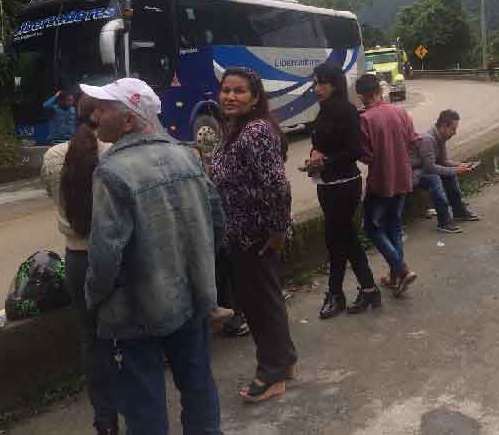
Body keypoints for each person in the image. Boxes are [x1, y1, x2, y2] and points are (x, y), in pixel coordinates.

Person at [82, 78, 224, 434]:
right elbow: (217, 223)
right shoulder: (187, 156)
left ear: (129, 121)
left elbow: (105, 253)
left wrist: (94, 298)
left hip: (135, 311)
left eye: (103, 109)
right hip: (192, 298)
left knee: (143, 402)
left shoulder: (112, 171)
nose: (95, 115)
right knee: (198, 384)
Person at [209, 68, 298, 403]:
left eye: (239, 91)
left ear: (256, 97)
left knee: (260, 306)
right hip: (242, 235)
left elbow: (278, 186)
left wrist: (277, 232)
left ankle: (272, 373)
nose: (230, 96)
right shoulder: (236, 129)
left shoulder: (255, 132)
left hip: (256, 237)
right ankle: (284, 361)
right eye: (226, 90)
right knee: (265, 301)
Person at [41, 95, 117, 435]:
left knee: (92, 340)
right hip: (117, 256)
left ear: (77, 113)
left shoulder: (53, 157)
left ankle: (105, 419)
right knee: (131, 334)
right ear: (103, 115)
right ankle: (141, 409)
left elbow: (53, 196)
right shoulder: (117, 153)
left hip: (78, 259)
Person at [306, 64, 381, 319]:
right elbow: (320, 145)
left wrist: (324, 161)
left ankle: (364, 289)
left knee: (344, 238)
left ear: (335, 84)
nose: (317, 89)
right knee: (335, 241)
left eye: (322, 83)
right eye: (315, 83)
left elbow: (354, 152)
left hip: (345, 185)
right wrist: (313, 158)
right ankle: (340, 293)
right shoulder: (323, 111)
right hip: (325, 185)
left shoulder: (348, 112)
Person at [356, 73, 419, 296]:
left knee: (371, 228)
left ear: (361, 96)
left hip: (381, 182)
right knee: (394, 224)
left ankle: (401, 269)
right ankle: (395, 277)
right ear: (380, 91)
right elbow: (413, 140)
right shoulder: (401, 112)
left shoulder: (365, 119)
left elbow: (366, 156)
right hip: (403, 177)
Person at [411, 110, 479, 234]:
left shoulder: (440, 137)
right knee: (435, 179)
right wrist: (456, 170)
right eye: (453, 129)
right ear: (443, 126)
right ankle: (444, 221)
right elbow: (430, 168)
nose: (455, 132)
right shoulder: (428, 139)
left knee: (450, 175)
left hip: (425, 169)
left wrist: (461, 165)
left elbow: (443, 161)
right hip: (414, 173)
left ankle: (459, 211)